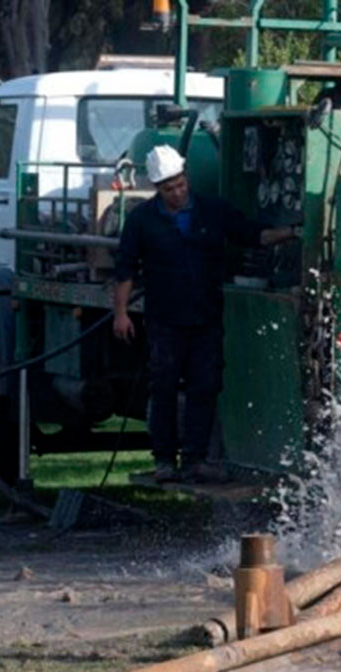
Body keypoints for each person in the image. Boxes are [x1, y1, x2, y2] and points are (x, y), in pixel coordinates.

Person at [112, 145, 298, 483]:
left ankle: (195, 458)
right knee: (164, 387)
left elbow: (250, 233)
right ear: (157, 189)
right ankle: (164, 460)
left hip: (205, 316)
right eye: (169, 189)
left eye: (181, 184)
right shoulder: (141, 221)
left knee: (205, 385)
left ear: (187, 178)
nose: (177, 192)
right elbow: (125, 268)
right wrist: (120, 313)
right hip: (165, 319)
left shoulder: (213, 211)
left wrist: (291, 232)